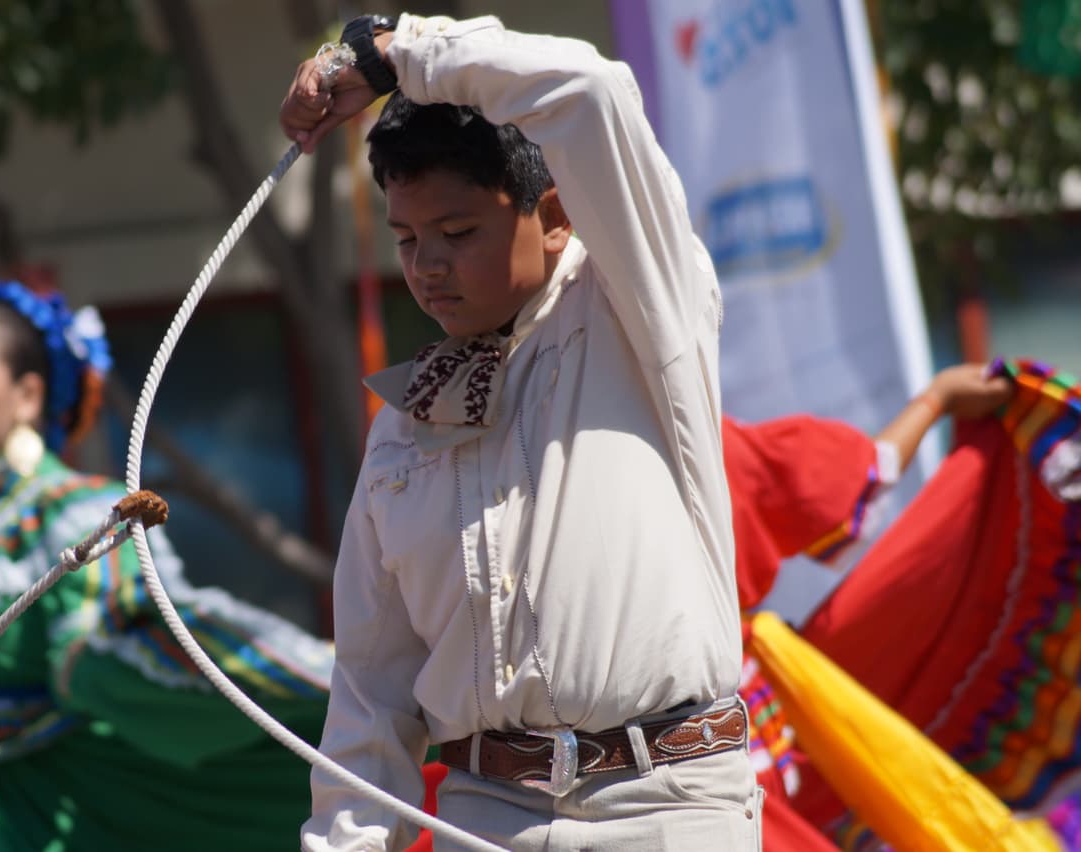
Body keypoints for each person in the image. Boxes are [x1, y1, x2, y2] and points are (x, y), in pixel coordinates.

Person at [280, 11, 758, 851]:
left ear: (557, 215)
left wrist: (395, 53)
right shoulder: (405, 423)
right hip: (482, 818)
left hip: (667, 809)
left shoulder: (639, 314)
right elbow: (370, 696)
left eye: (458, 233)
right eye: (406, 238)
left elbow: (592, 91)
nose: (427, 266)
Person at [0, 280, 334, 850]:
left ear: (27, 395)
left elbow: (136, 641)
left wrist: (341, 680)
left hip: (9, 822)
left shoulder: (69, 517)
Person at [724, 357, 1081, 848]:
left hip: (642, 766)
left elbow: (847, 487)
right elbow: (855, 485)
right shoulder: (692, 441)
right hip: (729, 746)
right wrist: (937, 399)